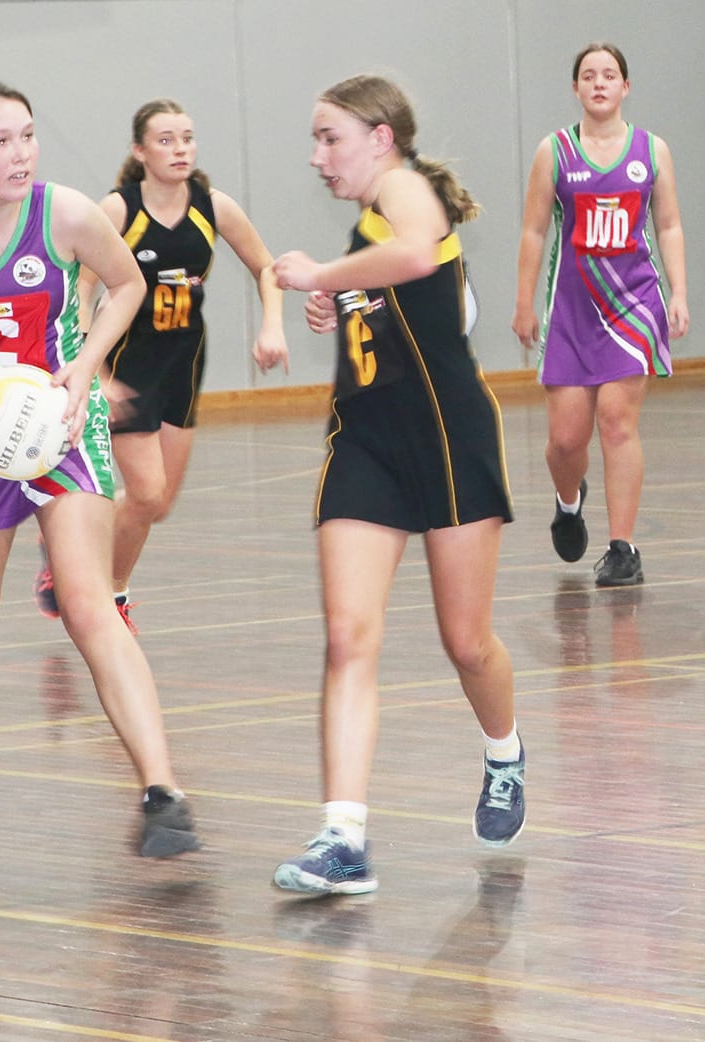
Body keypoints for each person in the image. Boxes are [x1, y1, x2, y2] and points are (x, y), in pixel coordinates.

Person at [0, 80, 199, 879]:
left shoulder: (64, 214)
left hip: (59, 431)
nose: (21, 153)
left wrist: (83, 371)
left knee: (90, 605)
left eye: (27, 135)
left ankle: (162, 790)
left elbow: (126, 285)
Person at [270, 74, 524, 895]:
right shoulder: (365, 226)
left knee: (466, 642)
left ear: (380, 137)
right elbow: (384, 286)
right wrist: (341, 295)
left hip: (448, 440)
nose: (317, 156)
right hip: (366, 445)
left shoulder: (408, 191)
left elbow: (416, 254)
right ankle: (343, 838)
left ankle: (504, 753)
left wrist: (321, 275)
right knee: (349, 637)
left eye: (329, 137)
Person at [32, 97, 289, 629]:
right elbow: (78, 290)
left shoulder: (213, 206)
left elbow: (266, 266)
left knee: (158, 503)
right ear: (140, 150)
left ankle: (64, 541)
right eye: (166, 139)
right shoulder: (118, 209)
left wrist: (272, 325)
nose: (180, 149)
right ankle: (113, 596)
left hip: (184, 365)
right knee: (145, 493)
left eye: (187, 137)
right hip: (128, 367)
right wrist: (92, 369)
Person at [512, 42, 689, 587]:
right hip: (571, 309)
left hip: (634, 302)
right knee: (567, 441)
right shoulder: (555, 151)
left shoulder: (651, 150)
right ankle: (569, 502)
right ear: (576, 88)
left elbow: (669, 226)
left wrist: (679, 292)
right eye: (588, 75)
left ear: (626, 86)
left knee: (617, 423)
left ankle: (623, 547)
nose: (599, 82)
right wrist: (524, 303)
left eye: (610, 74)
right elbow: (535, 231)